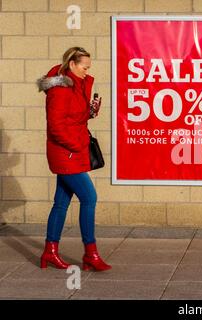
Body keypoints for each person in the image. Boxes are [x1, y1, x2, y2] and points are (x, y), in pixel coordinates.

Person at [37, 47, 111, 271]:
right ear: (71, 64)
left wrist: (90, 112)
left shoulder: (77, 85)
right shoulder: (60, 89)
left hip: (72, 151)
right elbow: (56, 126)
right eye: (84, 66)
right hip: (67, 152)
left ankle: (50, 252)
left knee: (61, 203)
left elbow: (72, 117)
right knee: (89, 198)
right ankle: (91, 254)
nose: (87, 71)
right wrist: (77, 145)